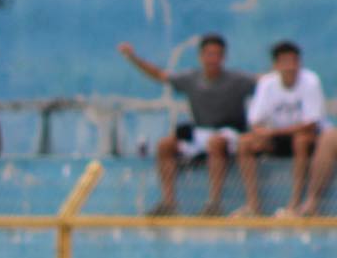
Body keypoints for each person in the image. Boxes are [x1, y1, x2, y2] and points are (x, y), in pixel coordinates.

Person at [117, 35, 254, 216]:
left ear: (223, 57)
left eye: (217, 54)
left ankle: (214, 203)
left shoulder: (237, 80)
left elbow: (263, 80)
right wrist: (132, 58)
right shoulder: (191, 78)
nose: (212, 59)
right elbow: (160, 75)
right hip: (200, 133)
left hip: (229, 133)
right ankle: (169, 203)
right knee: (165, 144)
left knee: (216, 142)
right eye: (209, 54)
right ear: (201, 57)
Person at [234, 41, 333, 217]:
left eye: (294, 61)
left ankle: (294, 204)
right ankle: (253, 205)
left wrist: (272, 132)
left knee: (301, 141)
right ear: (276, 65)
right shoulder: (267, 84)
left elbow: (311, 124)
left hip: (306, 137)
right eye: (285, 62)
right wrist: (261, 135)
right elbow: (255, 121)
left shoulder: (310, 81)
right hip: (277, 137)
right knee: (244, 143)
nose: (290, 67)